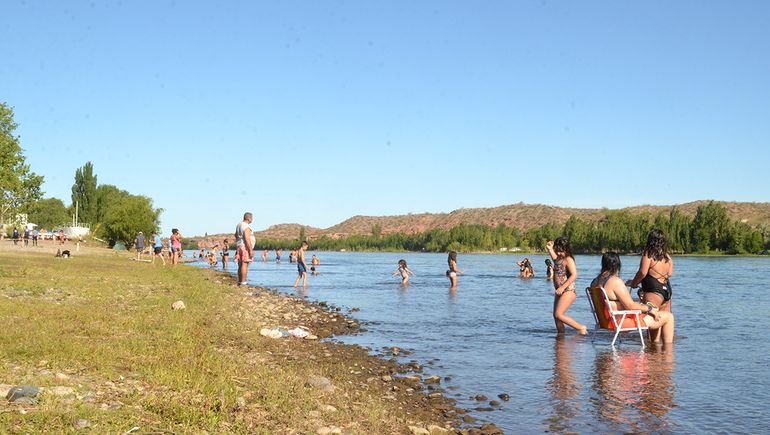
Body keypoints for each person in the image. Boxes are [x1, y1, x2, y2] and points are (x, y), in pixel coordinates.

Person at [592, 252, 675, 343]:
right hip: (621, 322)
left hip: (605, 321)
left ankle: (654, 347)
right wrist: (649, 308)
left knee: (651, 312)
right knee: (668, 317)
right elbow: (630, 306)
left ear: (603, 264)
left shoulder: (595, 282)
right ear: (617, 265)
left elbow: (610, 301)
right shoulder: (615, 282)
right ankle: (667, 350)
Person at [626, 229, 675, 342]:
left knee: (654, 321)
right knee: (664, 320)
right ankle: (667, 350)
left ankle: (653, 349)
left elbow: (642, 273)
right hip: (667, 291)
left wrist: (633, 283)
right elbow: (670, 273)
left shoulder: (648, 254)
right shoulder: (667, 257)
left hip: (653, 291)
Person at [546, 237, 587, 335]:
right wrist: (550, 249)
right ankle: (561, 336)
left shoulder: (569, 259)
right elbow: (554, 258)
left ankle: (581, 328)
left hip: (568, 290)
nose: (559, 253)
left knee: (559, 314)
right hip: (559, 291)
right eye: (557, 251)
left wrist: (562, 287)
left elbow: (574, 275)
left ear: (566, 249)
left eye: (561, 251)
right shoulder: (558, 259)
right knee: (556, 316)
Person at [235, 213, 254, 285]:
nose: (252, 219)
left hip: (239, 246)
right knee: (244, 263)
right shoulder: (246, 226)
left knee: (240, 264)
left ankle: (240, 281)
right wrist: (250, 250)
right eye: (252, 218)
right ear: (249, 218)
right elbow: (247, 238)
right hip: (245, 246)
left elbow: (236, 235)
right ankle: (243, 282)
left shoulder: (239, 225)